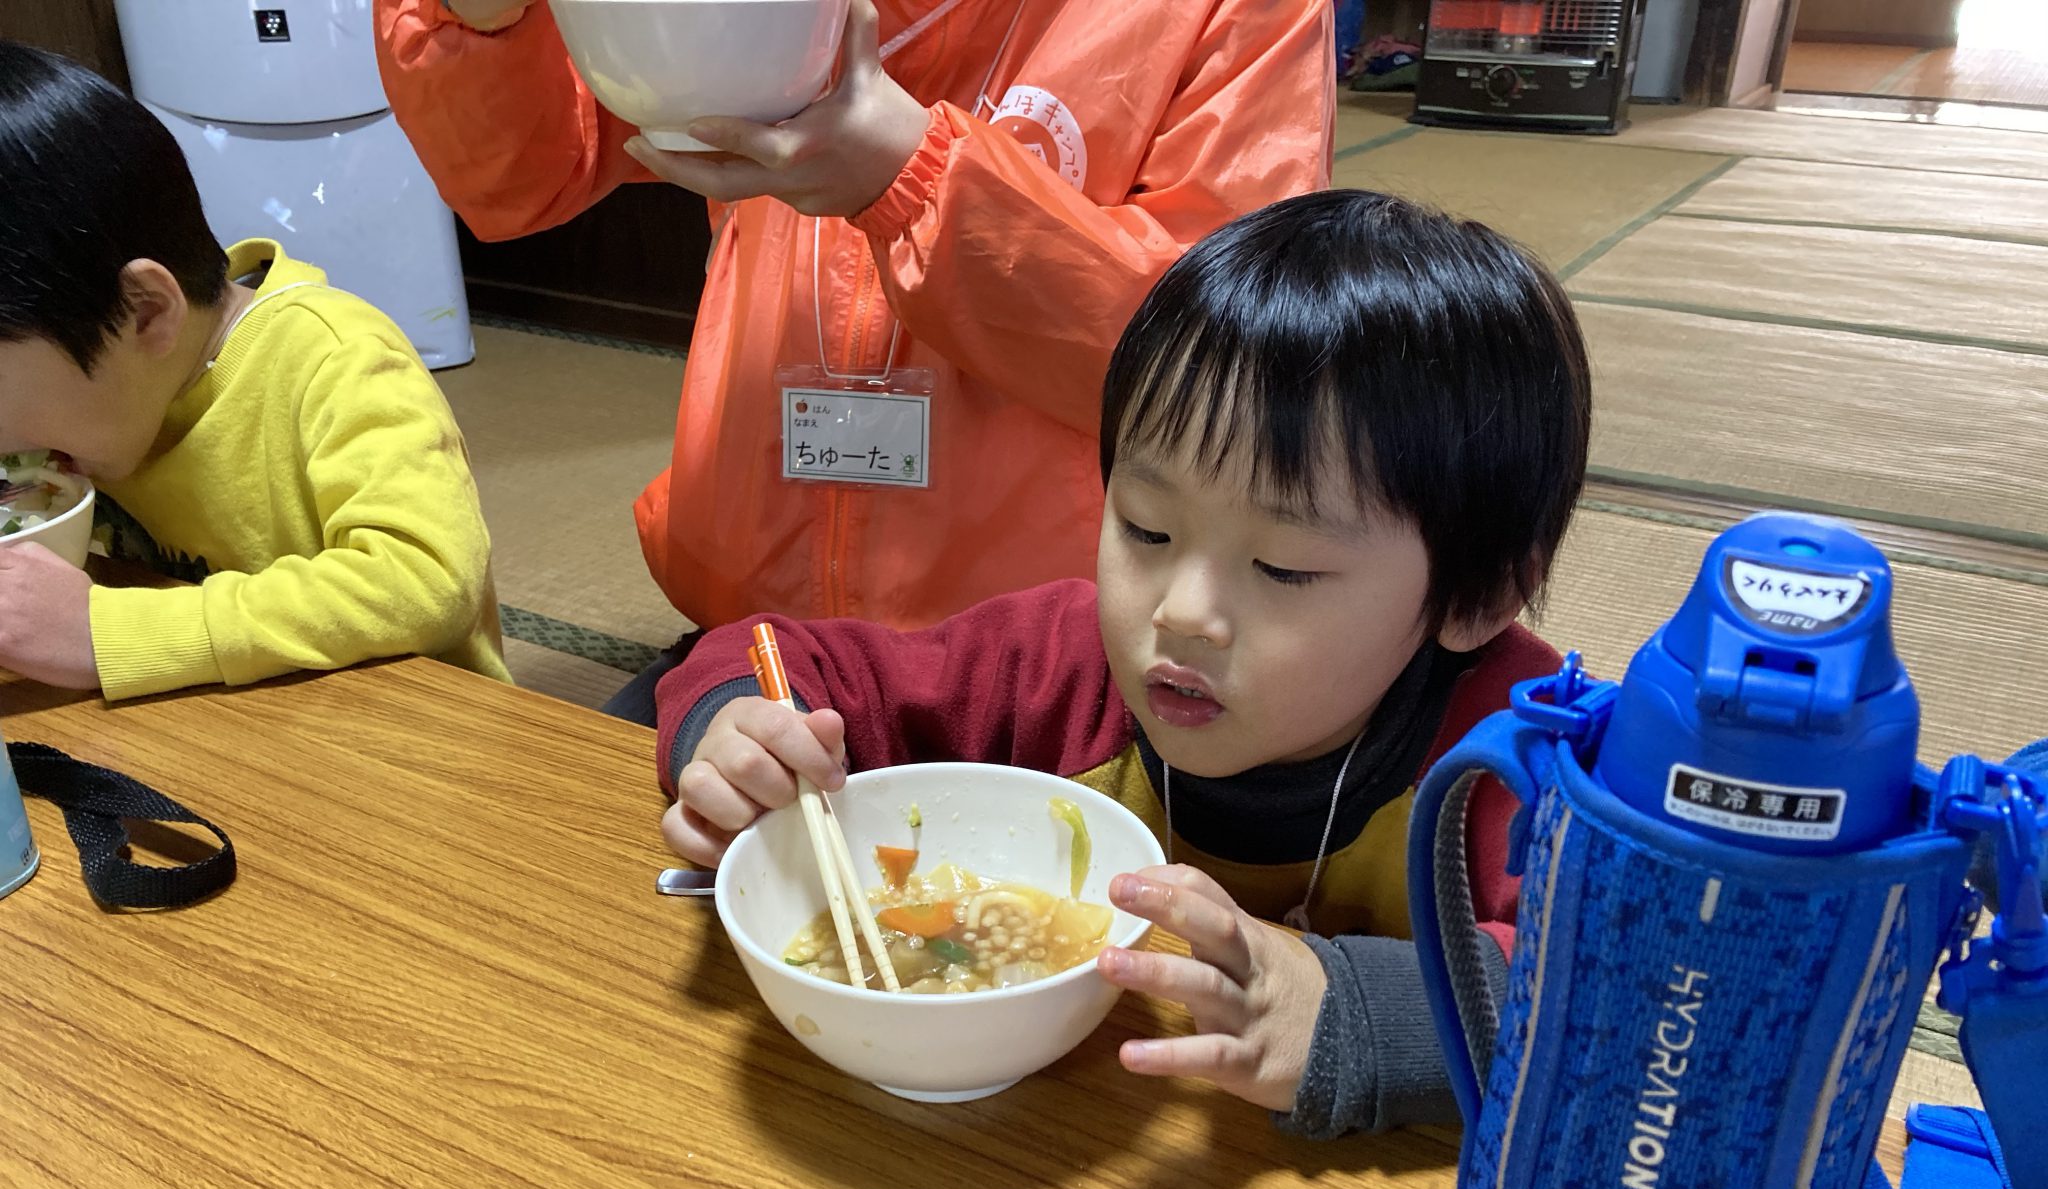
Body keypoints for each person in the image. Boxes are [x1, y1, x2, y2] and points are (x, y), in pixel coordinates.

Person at [648, 190, 1592, 1135]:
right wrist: (742, 735)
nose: (1181, 613)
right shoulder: (1056, 660)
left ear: (1476, 598)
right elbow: (775, 655)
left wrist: (1360, 1016)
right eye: (1147, 528)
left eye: (1282, 567)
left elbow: (1633, 984)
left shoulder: (1522, 760)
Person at [375, 0, 1335, 721]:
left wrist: (906, 172)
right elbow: (522, 174)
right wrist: (480, 21)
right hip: (757, 639)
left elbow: (1225, 370)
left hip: (1056, 677)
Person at [0, 45, 509, 702]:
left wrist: (106, 634)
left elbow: (428, 583)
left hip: (416, 729)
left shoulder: (333, 358)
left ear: (144, 313)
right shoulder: (112, 400)